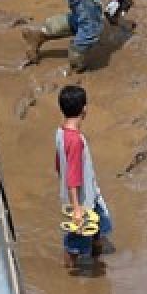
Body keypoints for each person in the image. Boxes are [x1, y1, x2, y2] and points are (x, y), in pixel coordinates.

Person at [54, 85, 112, 269]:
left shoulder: (61, 132)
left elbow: (59, 164)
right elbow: (73, 176)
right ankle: (69, 268)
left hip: (90, 195)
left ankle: (95, 259)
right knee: (74, 242)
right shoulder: (76, 140)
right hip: (81, 201)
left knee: (101, 227)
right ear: (84, 109)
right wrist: (77, 208)